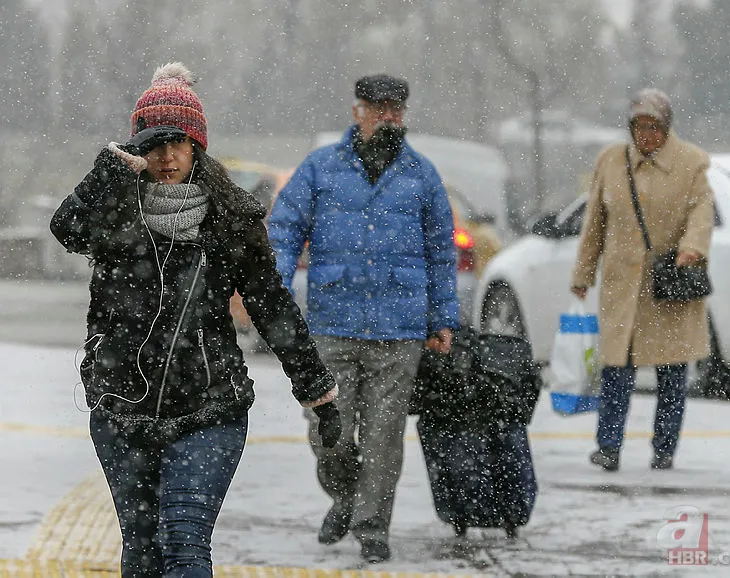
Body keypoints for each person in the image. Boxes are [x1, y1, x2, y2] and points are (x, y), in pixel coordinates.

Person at [49, 62, 342, 578]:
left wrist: (316, 390)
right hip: (123, 409)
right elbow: (65, 228)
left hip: (210, 407)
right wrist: (109, 170)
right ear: (137, 145)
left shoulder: (230, 217)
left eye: (179, 142)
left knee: (184, 549)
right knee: (142, 557)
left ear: (198, 146)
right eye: (154, 143)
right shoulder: (116, 209)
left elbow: (273, 307)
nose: (166, 157)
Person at [267, 74, 459, 563]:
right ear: (358, 112)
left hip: (399, 326)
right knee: (326, 427)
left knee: (383, 435)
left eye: (395, 109)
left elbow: (440, 251)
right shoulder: (321, 168)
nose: (387, 117)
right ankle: (346, 495)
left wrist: (442, 317)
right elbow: (285, 230)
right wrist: (275, 289)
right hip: (332, 321)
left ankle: (373, 525)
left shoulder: (422, 175)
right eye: (377, 109)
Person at [570, 88, 713, 472]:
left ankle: (664, 449)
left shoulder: (692, 163)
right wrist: (583, 273)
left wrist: (693, 247)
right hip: (622, 287)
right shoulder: (611, 161)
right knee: (616, 369)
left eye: (654, 127)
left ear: (667, 127)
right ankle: (609, 446)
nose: (646, 135)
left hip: (668, 284)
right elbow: (594, 223)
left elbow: (703, 211)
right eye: (639, 126)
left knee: (671, 374)